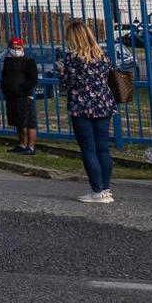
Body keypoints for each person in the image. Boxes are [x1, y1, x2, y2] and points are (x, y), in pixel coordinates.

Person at [57, 19, 118, 203]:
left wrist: (61, 72)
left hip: (82, 106)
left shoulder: (72, 58)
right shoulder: (102, 55)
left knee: (88, 149)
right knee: (103, 148)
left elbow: (69, 84)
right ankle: (105, 188)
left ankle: (97, 190)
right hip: (104, 105)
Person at [0, 37, 40, 155]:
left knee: (27, 123)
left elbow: (33, 80)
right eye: (13, 48)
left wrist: (22, 90)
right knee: (18, 122)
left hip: (24, 97)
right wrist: (5, 89)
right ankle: (22, 144)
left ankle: (31, 146)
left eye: (18, 48)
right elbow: (4, 76)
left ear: (22, 48)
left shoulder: (28, 61)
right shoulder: (8, 61)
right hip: (11, 97)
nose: (16, 50)